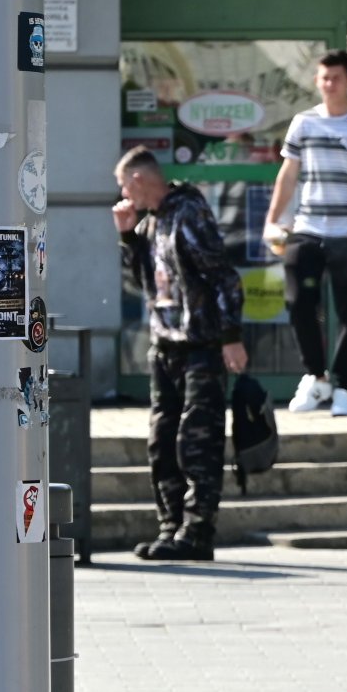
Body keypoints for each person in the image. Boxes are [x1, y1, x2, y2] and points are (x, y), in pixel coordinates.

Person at [114, 146, 247, 562]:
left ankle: (197, 532)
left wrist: (231, 336)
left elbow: (224, 277)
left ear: (138, 180)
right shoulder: (151, 222)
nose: (123, 195)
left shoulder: (189, 212)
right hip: (165, 347)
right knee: (162, 442)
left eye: (124, 186)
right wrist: (127, 235)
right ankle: (171, 528)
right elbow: (143, 284)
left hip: (200, 347)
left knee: (197, 442)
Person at [265, 48, 347, 417]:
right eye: (324, 78)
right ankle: (316, 377)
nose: (329, 84)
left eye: (336, 78)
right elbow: (288, 175)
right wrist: (272, 219)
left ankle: (343, 387)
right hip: (308, 228)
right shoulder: (303, 123)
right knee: (299, 301)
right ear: (317, 81)